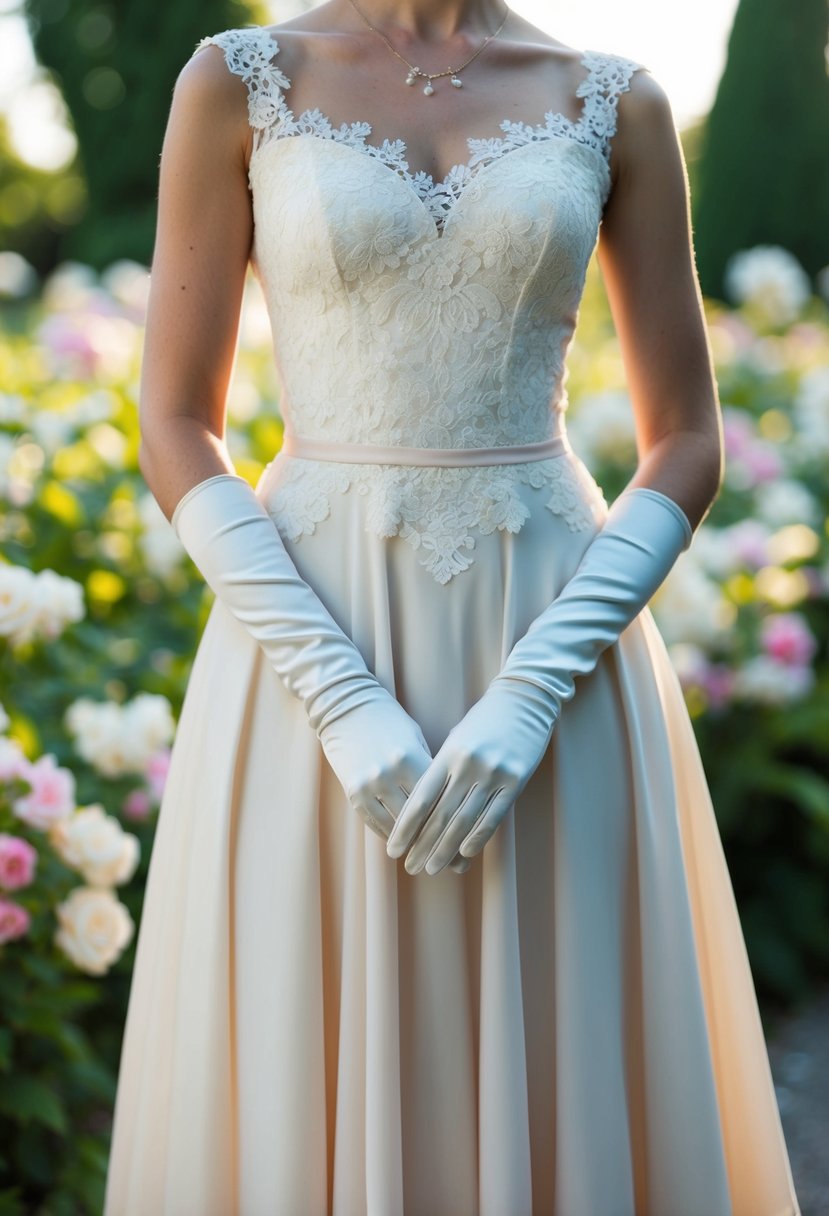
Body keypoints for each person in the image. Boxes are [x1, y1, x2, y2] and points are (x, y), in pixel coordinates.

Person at [103, 1, 802, 1212]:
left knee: (563, 1041)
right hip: (304, 640)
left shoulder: (613, 98)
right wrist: (331, 688)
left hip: (553, 645)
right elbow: (175, 420)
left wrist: (539, 685)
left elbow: (686, 438)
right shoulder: (238, 79)